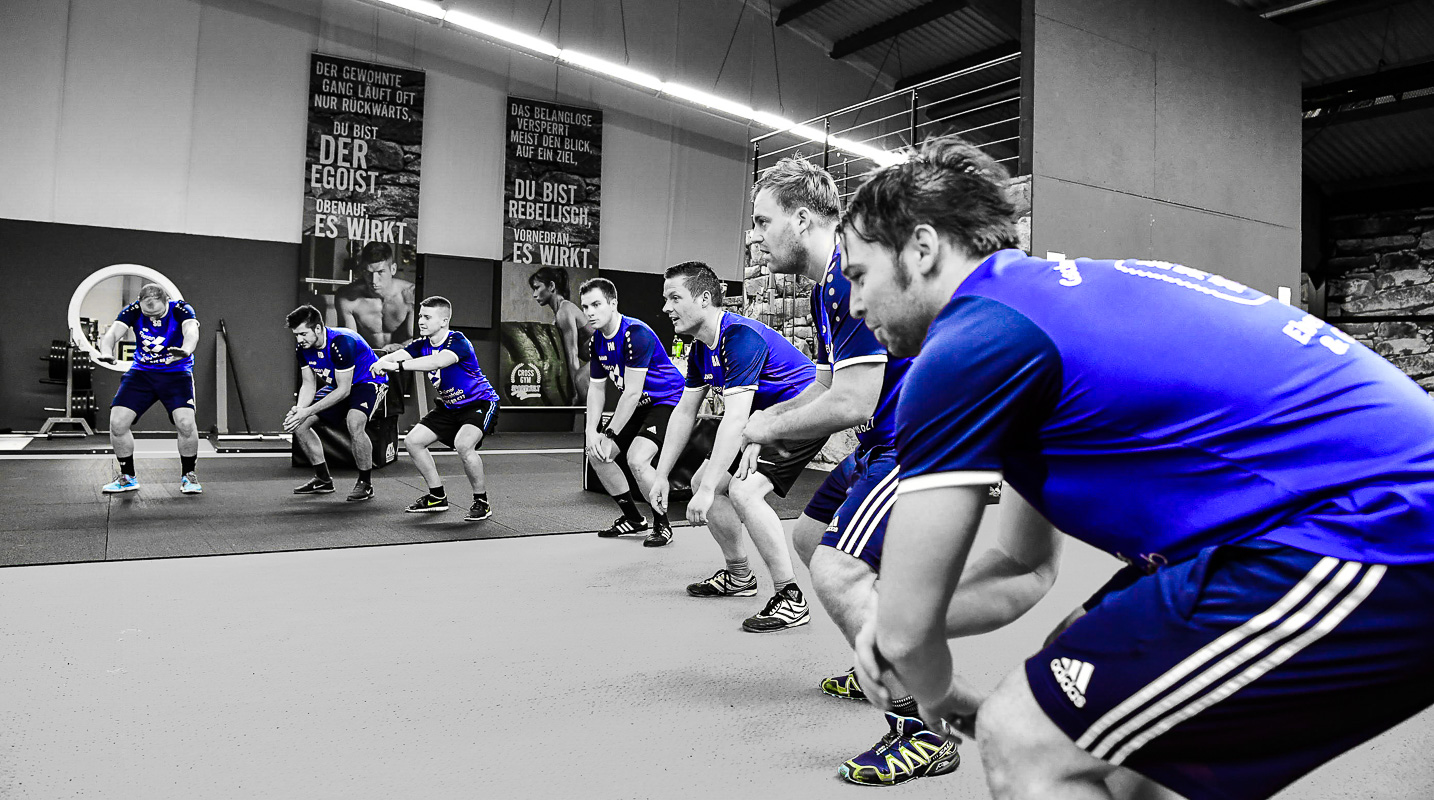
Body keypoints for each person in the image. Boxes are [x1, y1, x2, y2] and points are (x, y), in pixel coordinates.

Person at [841, 137, 1434, 800]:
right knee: (1086, 680)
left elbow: (906, 631)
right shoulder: (1035, 312)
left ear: (922, 250)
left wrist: (924, 674)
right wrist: (902, 628)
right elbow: (1020, 565)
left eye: (860, 275)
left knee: (1027, 739)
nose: (854, 305)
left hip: (1382, 525)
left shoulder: (970, 343)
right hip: (1349, 517)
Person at [739, 156, 950, 786]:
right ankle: (881, 663)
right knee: (808, 538)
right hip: (880, 437)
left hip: (917, 441)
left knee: (835, 568)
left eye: (761, 220)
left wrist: (762, 428)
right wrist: (768, 423)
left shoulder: (843, 276)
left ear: (801, 219)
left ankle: (923, 731)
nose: (755, 235)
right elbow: (825, 387)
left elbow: (852, 402)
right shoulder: (822, 281)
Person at [648, 261, 826, 632]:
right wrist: (661, 475)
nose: (666, 307)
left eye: (675, 297)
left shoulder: (740, 338)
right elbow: (684, 413)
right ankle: (739, 576)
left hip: (804, 411)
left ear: (705, 298)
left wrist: (717, 483)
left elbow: (735, 419)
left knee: (743, 492)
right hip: (764, 422)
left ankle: (790, 596)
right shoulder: (701, 349)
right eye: (666, 298)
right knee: (699, 482)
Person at [370, 296, 500, 521]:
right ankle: (437, 496)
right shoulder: (422, 344)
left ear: (444, 321)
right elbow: (398, 354)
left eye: (427, 317)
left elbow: (436, 362)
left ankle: (481, 501)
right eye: (420, 316)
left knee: (463, 445)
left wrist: (396, 366)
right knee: (413, 442)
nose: (421, 320)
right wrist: (381, 362)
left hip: (479, 403)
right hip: (449, 407)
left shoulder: (458, 341)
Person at [580, 277, 685, 547]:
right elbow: (596, 390)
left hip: (668, 401)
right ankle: (633, 519)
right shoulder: (596, 343)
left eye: (596, 304)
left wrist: (609, 432)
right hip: (639, 405)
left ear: (613, 303)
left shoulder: (634, 334)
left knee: (637, 459)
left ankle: (662, 524)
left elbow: (632, 392)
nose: (590, 312)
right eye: (585, 307)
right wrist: (591, 432)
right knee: (598, 455)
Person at [95, 283, 203, 495]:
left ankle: (189, 475)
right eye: (147, 312)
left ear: (166, 302)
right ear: (139, 303)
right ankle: (127, 477)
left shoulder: (181, 309)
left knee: (186, 423)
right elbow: (113, 333)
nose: (152, 316)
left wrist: (185, 350)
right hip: (141, 373)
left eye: (157, 312)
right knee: (117, 423)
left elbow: (191, 331)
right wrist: (106, 351)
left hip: (176, 372)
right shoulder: (133, 310)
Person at [284, 304, 389, 502]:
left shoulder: (342, 342)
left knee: (355, 422)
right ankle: (323, 479)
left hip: (368, 382)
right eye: (296, 335)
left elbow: (344, 390)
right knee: (300, 424)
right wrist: (300, 410)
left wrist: (307, 411)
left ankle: (365, 483)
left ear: (317, 328)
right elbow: (308, 384)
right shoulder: (303, 348)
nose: (299, 339)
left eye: (303, 334)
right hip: (338, 384)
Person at [530, 266, 595, 404]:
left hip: (610, 354)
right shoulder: (559, 315)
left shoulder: (564, 312)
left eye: (537, 288)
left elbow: (573, 356)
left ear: (551, 286)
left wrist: (577, 392)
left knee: (580, 380)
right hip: (600, 358)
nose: (534, 295)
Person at [335, 241, 415, 352]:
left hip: (402, 359)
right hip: (365, 359)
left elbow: (418, 338)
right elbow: (349, 341)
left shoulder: (410, 294)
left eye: (380, 272)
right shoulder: (347, 297)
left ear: (393, 269)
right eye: (368, 273)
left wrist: (400, 348)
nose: (374, 281)